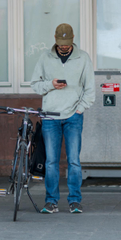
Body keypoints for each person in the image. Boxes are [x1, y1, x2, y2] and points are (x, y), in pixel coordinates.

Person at [30, 23, 95, 214]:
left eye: (67, 43)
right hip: (50, 116)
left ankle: (75, 200)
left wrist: (79, 110)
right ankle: (51, 201)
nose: (64, 46)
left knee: (74, 160)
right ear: (55, 40)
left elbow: (90, 89)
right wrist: (50, 84)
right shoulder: (45, 57)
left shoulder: (83, 58)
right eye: (61, 43)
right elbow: (35, 84)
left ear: (73, 39)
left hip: (74, 116)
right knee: (51, 161)